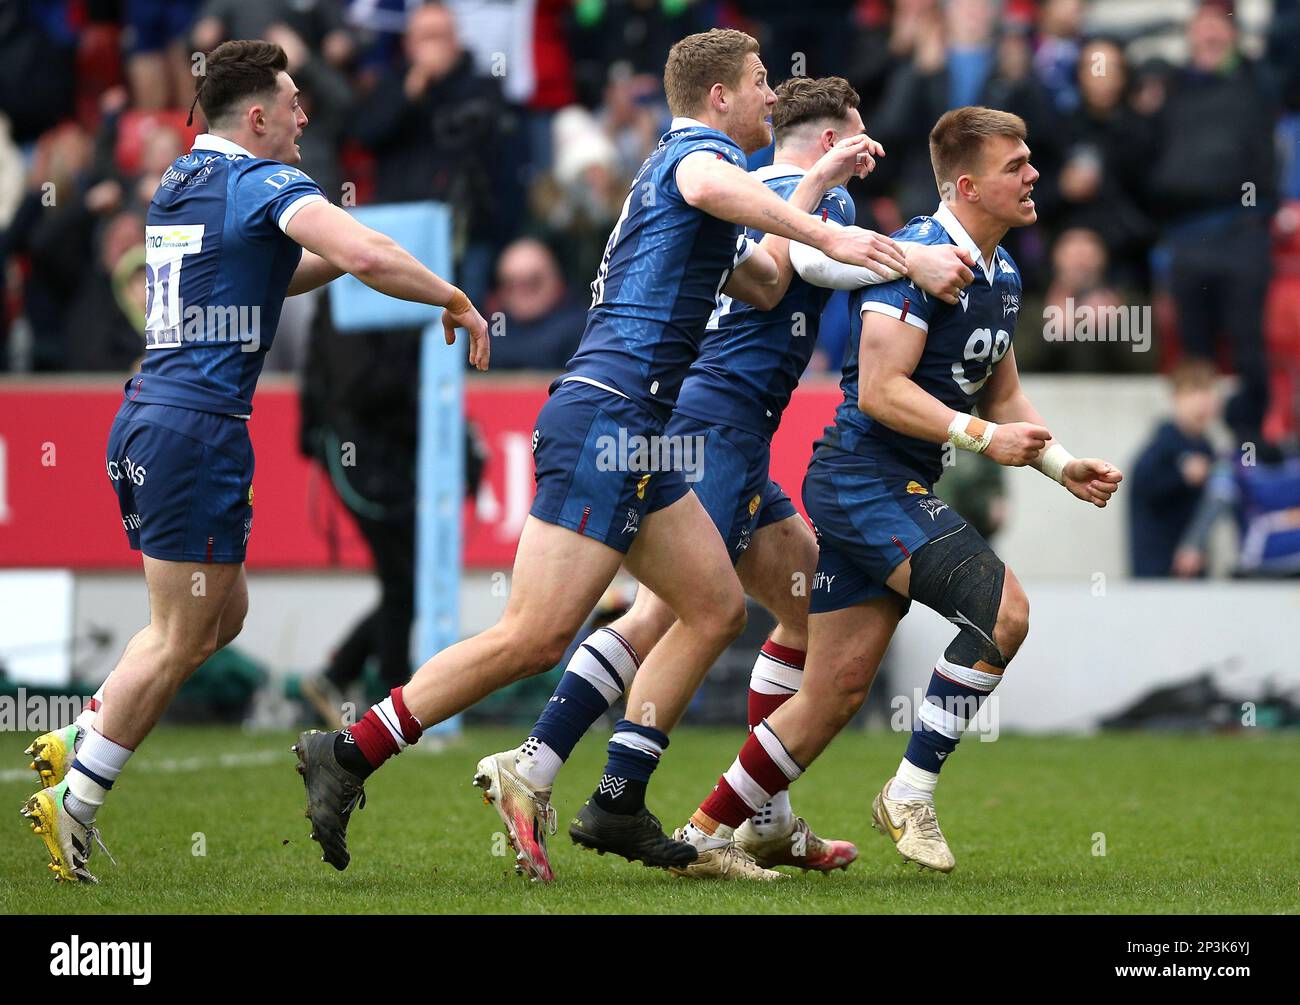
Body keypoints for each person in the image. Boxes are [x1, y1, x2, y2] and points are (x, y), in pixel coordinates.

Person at [292, 28, 911, 875]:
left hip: (639, 430)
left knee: (715, 606)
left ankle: (617, 799)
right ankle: (351, 750)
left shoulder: (713, 194)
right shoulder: (689, 156)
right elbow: (712, 186)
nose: (774, 94)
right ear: (718, 97)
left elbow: (767, 280)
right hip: (606, 420)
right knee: (532, 637)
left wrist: (814, 184)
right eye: (762, 81)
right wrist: (829, 230)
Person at [474, 75, 976, 882]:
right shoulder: (815, 203)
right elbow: (821, 258)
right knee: (668, 617)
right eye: (858, 139)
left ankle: (765, 819)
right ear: (827, 141)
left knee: (804, 602)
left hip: (714, 432)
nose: (867, 156)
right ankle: (560, 772)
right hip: (713, 431)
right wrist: (915, 259)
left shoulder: (740, 195)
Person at [20, 39, 488, 885]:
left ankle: (79, 732)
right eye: (294, 101)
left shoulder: (180, 179)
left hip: (149, 423)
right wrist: (450, 295)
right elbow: (366, 252)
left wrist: (341, 265)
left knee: (218, 617)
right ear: (259, 116)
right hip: (193, 432)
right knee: (178, 635)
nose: (307, 115)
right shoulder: (259, 181)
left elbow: (270, 271)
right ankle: (78, 794)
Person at [672, 106, 1122, 877]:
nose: (1034, 174)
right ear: (970, 184)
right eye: (1017, 164)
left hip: (885, 483)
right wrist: (981, 439)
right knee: (1003, 610)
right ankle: (908, 792)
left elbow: (1003, 395)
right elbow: (880, 390)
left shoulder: (1003, 273)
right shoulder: (916, 252)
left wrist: (1060, 463)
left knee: (837, 688)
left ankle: (705, 831)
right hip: (863, 478)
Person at [1129, 359, 1218, 577]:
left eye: (1207, 392)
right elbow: (1143, 488)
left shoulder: (1206, 447)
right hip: (1157, 569)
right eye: (1194, 392)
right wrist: (1180, 477)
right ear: (1176, 398)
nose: (1202, 402)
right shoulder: (1162, 444)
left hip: (1193, 570)